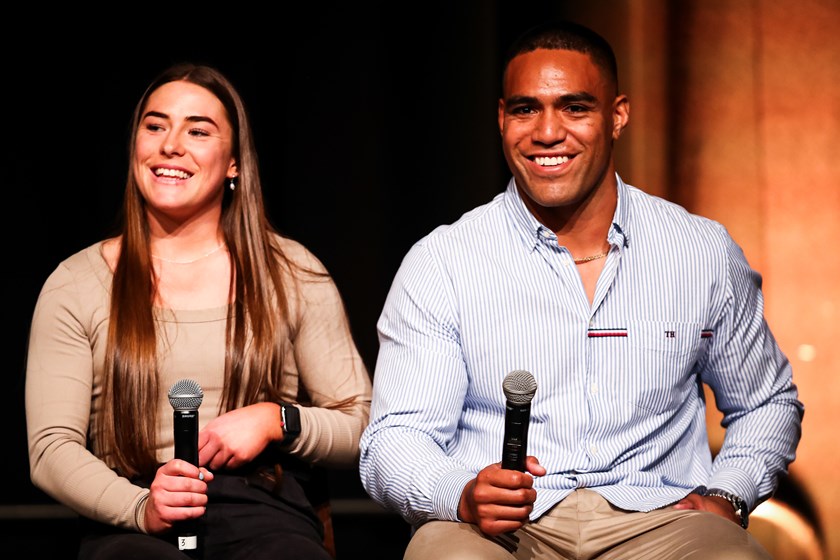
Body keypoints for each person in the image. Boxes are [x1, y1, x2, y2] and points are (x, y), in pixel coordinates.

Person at [358, 20, 804, 560]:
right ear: (502, 119)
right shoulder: (444, 262)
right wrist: (461, 493)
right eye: (526, 109)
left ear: (617, 116)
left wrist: (731, 493)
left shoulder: (700, 251)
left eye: (574, 108)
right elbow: (395, 438)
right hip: (498, 530)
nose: (547, 132)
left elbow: (766, 400)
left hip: (657, 520)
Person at [25, 63, 372, 559]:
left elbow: (361, 424)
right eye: (155, 125)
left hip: (263, 512)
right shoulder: (77, 283)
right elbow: (51, 448)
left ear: (233, 162)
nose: (171, 144)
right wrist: (142, 505)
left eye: (198, 130)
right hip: (133, 520)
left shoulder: (290, 271)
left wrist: (278, 420)